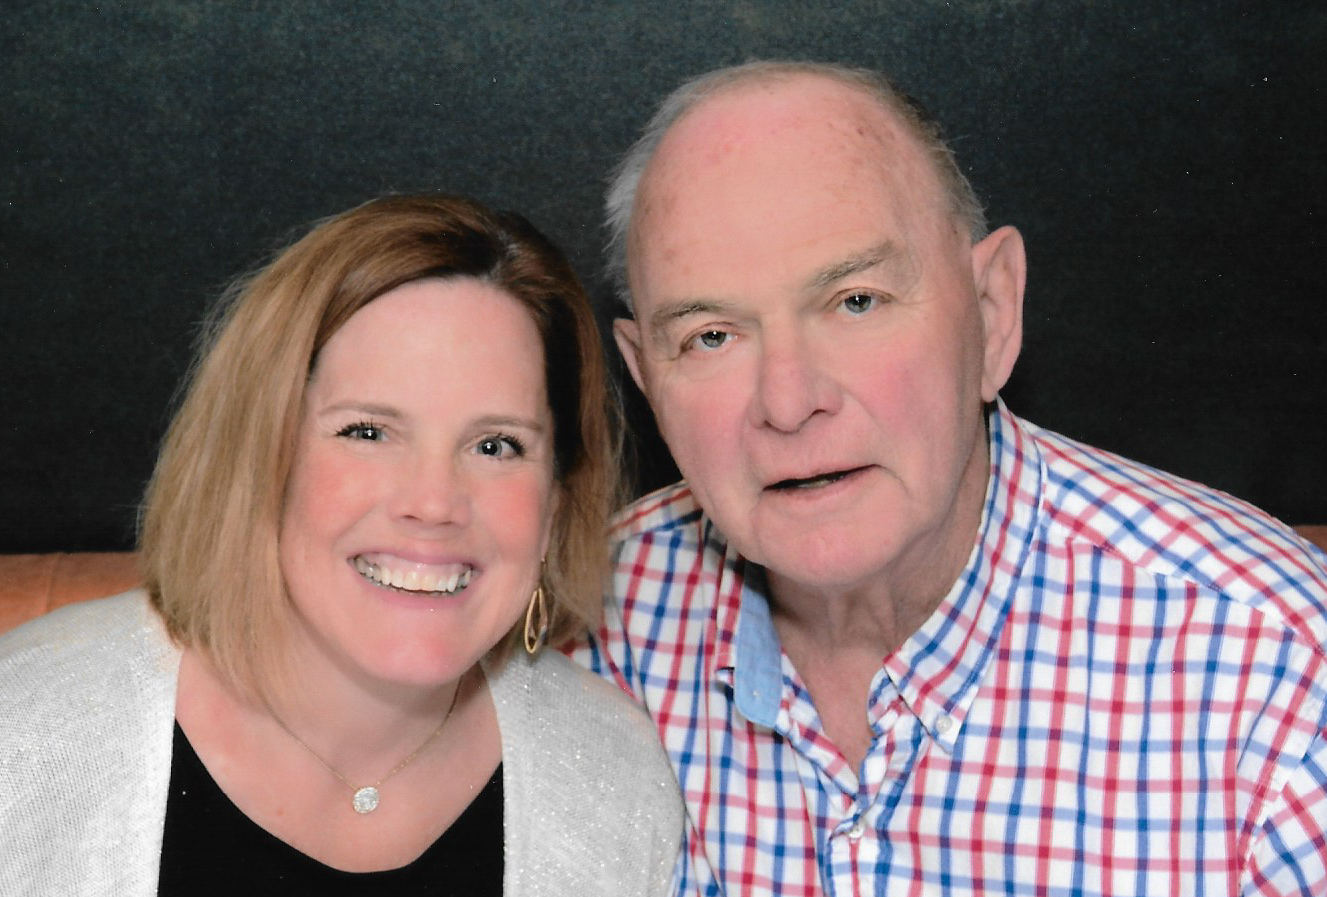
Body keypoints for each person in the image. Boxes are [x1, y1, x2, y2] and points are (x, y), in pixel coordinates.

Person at [578, 60, 1327, 895]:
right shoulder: (581, 632)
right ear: (646, 379)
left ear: (991, 314)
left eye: (855, 301)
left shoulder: (1281, 682)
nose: (788, 403)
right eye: (711, 336)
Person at [0, 194, 682, 895]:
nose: (433, 503)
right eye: (368, 431)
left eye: (495, 445)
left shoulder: (617, 779)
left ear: (556, 501)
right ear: (258, 457)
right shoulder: (23, 736)